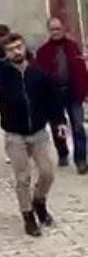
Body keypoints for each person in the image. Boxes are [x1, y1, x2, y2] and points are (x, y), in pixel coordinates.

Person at [0, 33, 68, 236]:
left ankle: (39, 201)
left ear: (24, 47)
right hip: (14, 135)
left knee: (47, 172)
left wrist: (60, 123)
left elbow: (53, 103)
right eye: (11, 49)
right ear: (6, 53)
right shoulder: (1, 76)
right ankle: (28, 217)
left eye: (19, 47)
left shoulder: (40, 74)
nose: (16, 52)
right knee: (22, 178)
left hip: (38, 133)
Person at [34, 17, 88, 172]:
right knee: (59, 127)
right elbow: (40, 75)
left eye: (58, 29)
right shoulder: (43, 51)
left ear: (63, 29)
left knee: (78, 126)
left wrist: (84, 91)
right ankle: (63, 153)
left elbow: (81, 70)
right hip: (54, 95)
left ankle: (81, 160)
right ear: (49, 31)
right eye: (52, 29)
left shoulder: (73, 47)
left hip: (73, 92)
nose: (56, 32)